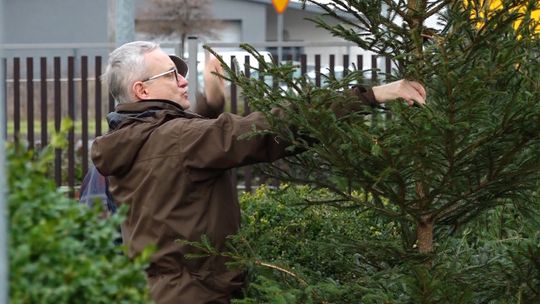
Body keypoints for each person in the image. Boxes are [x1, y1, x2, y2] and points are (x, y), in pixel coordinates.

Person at [91, 41, 426, 304]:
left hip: (155, 291)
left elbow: (183, 153)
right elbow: (268, 130)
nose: (182, 80)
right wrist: (372, 95)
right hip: (197, 294)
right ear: (142, 91)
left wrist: (211, 104)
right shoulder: (178, 139)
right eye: (169, 75)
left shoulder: (124, 141)